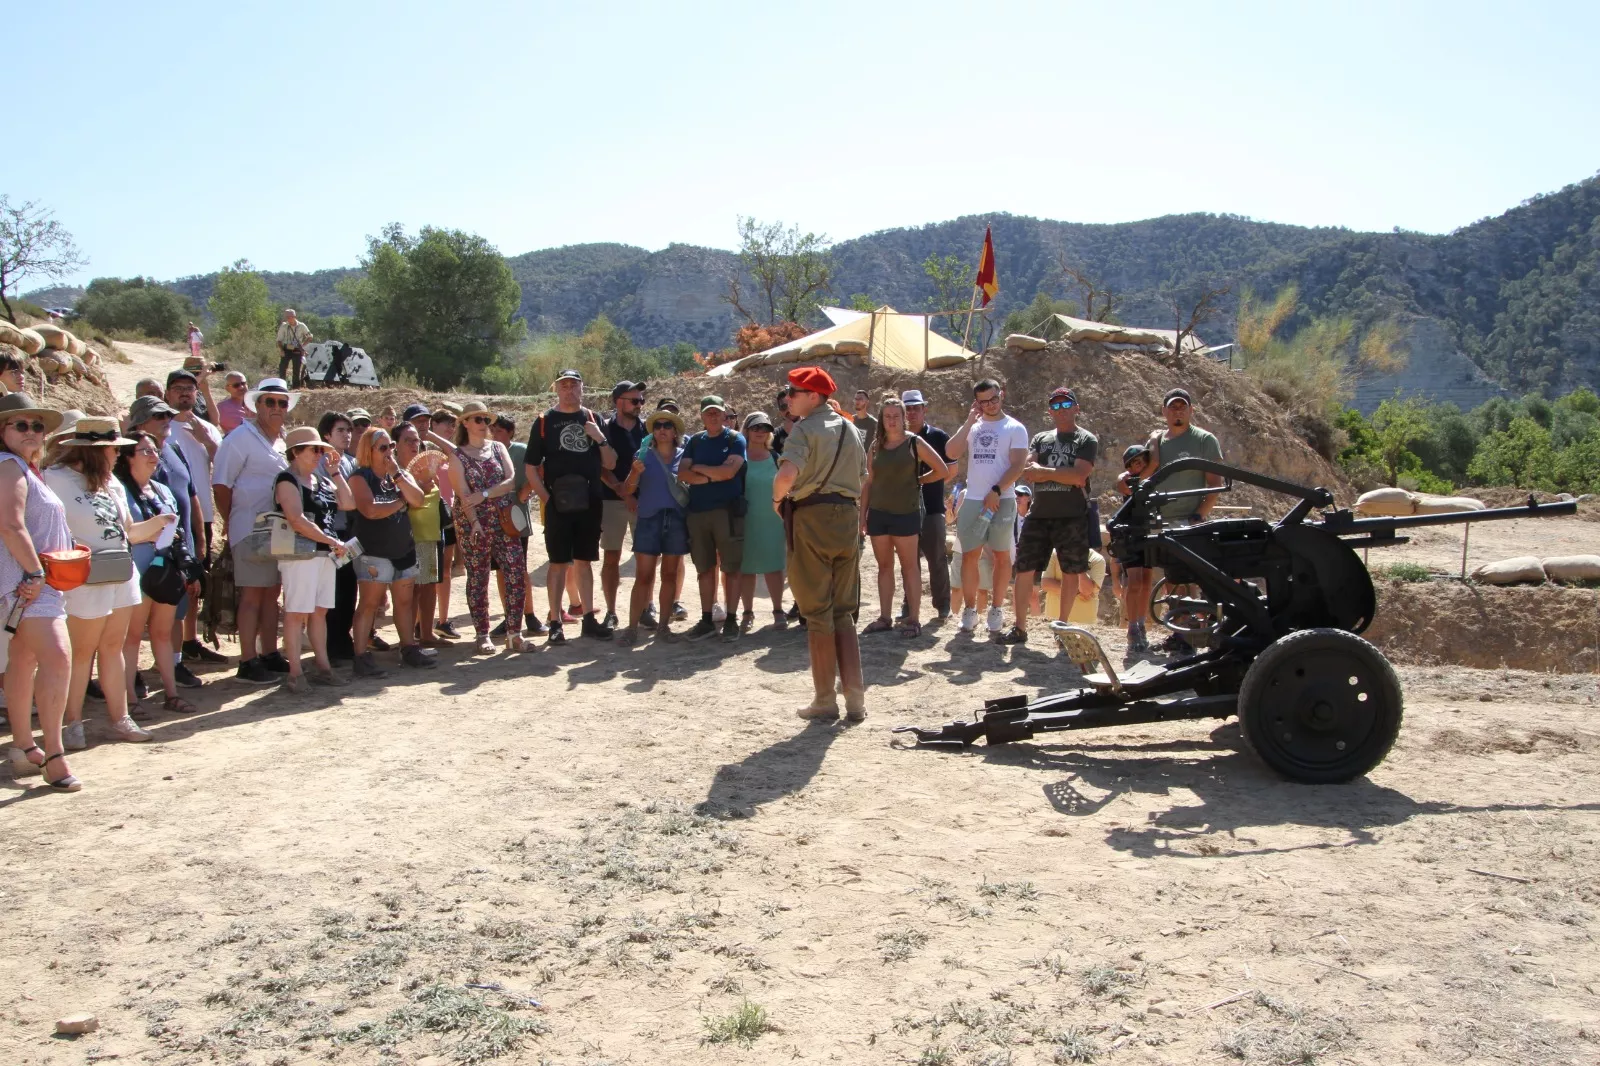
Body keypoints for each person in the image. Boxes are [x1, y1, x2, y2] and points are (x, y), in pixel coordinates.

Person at [45, 417, 166, 746]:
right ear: (94, 450)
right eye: (113, 448)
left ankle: (120, 719)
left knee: (114, 648)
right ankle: (72, 723)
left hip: (119, 572)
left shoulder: (112, 482)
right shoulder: (55, 479)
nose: (117, 454)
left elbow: (129, 532)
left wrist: (160, 522)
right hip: (83, 576)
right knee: (81, 652)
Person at [772, 366, 868, 721]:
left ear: (814, 396)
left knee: (816, 612)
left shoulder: (805, 429)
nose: (788, 398)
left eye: (794, 392)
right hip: (847, 519)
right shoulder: (853, 430)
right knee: (843, 610)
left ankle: (825, 700)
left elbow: (786, 476)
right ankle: (855, 698)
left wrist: (776, 500)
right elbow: (862, 477)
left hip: (811, 519)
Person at [0, 394, 80, 789]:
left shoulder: (24, 469)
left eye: (37, 425)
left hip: (25, 583)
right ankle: (53, 753)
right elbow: (11, 525)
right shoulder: (9, 466)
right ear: (3, 431)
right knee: (58, 656)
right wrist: (34, 573)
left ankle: (23, 747)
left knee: (23, 658)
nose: (32, 432)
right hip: (28, 584)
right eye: (21, 425)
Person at [524, 369, 616, 645]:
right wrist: (547, 500)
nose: (569, 390)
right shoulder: (544, 422)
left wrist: (599, 437)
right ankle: (555, 622)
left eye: (574, 385)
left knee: (584, 561)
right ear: (556, 389)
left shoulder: (593, 419)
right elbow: (530, 468)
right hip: (558, 504)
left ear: (582, 388)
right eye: (564, 386)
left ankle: (588, 618)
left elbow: (610, 463)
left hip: (589, 501)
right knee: (557, 563)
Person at [212, 376, 293, 684]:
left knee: (272, 593)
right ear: (256, 404)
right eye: (269, 401)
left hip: (278, 531)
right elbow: (221, 485)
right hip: (249, 528)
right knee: (252, 595)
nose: (276, 407)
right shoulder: (239, 438)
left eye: (281, 402)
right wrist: (232, 521)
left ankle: (270, 653)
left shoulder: (283, 440)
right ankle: (248, 659)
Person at [1006, 387, 1098, 644]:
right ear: (1049, 411)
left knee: (1071, 571)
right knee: (1024, 568)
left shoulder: (1086, 439)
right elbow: (1027, 468)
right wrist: (1059, 473)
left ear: (1076, 408)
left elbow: (1079, 475)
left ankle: (1064, 628)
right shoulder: (1041, 438)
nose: (1061, 410)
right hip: (1040, 514)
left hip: (1071, 514)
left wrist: (1045, 472)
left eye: (1066, 404)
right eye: (1055, 406)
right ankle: (1019, 627)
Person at [117, 431, 198, 714]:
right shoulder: (119, 490)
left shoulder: (162, 490)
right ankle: (130, 699)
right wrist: (156, 527)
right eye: (145, 451)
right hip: (136, 572)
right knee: (132, 637)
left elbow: (175, 531)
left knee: (163, 634)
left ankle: (171, 694)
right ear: (127, 457)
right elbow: (126, 533)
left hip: (165, 572)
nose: (154, 456)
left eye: (154, 451)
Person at [946, 378, 1029, 637]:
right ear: (977, 403)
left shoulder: (1015, 427)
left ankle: (996, 608)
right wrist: (970, 421)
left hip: (1002, 498)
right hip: (973, 499)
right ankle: (970, 610)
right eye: (984, 402)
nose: (990, 405)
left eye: (994, 399)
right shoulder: (974, 426)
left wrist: (996, 490)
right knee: (970, 554)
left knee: (1001, 555)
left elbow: (1018, 465)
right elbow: (951, 451)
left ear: (1001, 395)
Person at [860, 396, 948, 638]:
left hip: (906, 513)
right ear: (882, 419)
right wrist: (862, 517)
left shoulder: (914, 443)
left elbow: (941, 469)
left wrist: (919, 480)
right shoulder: (876, 446)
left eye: (895, 416)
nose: (891, 421)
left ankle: (914, 619)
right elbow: (868, 483)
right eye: (887, 416)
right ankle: (885, 617)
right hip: (878, 514)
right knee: (884, 567)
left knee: (910, 568)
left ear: (903, 418)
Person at [273, 427, 354, 691]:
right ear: (295, 452)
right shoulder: (287, 480)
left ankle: (323, 667)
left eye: (321, 449)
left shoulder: (321, 481)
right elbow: (296, 519)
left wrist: (335, 473)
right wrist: (332, 542)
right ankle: (295, 673)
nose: (319, 454)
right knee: (296, 613)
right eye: (314, 449)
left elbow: (348, 503)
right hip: (300, 555)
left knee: (319, 612)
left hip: (324, 555)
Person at [349, 425, 432, 676]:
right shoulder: (360, 477)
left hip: (403, 550)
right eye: (383, 448)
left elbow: (418, 499)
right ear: (369, 450)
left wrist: (397, 475)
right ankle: (361, 657)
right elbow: (370, 510)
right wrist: (399, 502)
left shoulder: (397, 475)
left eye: (392, 447)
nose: (389, 452)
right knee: (369, 604)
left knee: (405, 602)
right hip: (374, 552)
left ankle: (408, 648)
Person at [447, 401, 527, 654]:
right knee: (478, 577)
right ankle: (482, 634)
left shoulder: (498, 448)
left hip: (504, 521)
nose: (483, 424)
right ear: (466, 424)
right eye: (478, 419)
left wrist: (484, 493)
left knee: (516, 572)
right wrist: (474, 523)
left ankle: (515, 633)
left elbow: (511, 481)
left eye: (486, 420)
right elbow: (462, 496)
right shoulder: (457, 456)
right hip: (474, 525)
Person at [165, 368, 228, 669]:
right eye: (178, 388)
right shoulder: (160, 427)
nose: (185, 393)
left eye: (190, 388)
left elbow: (224, 464)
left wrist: (207, 439)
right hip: (165, 515)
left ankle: (189, 642)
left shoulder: (205, 427)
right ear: (167, 393)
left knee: (195, 582)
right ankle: (168, 651)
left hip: (200, 514)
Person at [618, 408, 689, 645]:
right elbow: (627, 490)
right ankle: (631, 628)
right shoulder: (643, 455)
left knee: (669, 575)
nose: (661, 430)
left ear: (675, 431)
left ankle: (663, 627)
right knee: (643, 576)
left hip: (676, 519)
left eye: (667, 426)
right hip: (649, 518)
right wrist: (635, 473)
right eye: (657, 426)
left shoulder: (685, 456)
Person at [679, 396, 747, 642]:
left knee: (731, 568)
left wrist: (701, 470)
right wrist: (713, 474)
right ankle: (707, 619)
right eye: (709, 413)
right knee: (704, 568)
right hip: (698, 513)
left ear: (725, 414)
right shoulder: (695, 441)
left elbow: (730, 472)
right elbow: (683, 474)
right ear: (701, 416)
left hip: (727, 512)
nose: (714, 417)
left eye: (718, 412)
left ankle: (731, 619)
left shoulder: (735, 439)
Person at [488, 415, 543, 639]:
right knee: (501, 570)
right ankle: (509, 616)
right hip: (493, 516)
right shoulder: (485, 452)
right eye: (493, 431)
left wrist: (526, 489)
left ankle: (529, 615)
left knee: (520, 567)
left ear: (510, 432)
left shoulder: (521, 450)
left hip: (516, 516)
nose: (495, 435)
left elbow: (539, 469)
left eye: (499, 431)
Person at [902, 389, 954, 621]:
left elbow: (951, 470)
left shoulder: (939, 437)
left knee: (937, 559)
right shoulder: (896, 438)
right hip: (903, 510)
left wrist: (923, 480)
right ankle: (908, 607)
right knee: (908, 563)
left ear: (925, 409)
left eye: (916, 408)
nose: (912, 412)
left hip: (933, 508)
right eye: (908, 408)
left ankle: (943, 606)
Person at [598, 381, 646, 628]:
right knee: (611, 557)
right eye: (634, 400)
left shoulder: (648, 429)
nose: (640, 404)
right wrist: (622, 491)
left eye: (641, 400)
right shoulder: (603, 430)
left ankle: (646, 606)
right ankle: (611, 611)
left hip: (644, 502)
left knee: (645, 557)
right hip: (611, 501)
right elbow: (599, 466)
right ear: (618, 401)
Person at [737, 412, 788, 631]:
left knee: (774, 567)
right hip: (745, 520)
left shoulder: (777, 457)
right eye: (755, 427)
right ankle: (747, 613)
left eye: (765, 428)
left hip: (772, 521)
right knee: (745, 568)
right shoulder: (739, 457)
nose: (760, 432)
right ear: (746, 430)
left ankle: (778, 610)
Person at [318, 411, 358, 662]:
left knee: (348, 589)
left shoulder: (351, 462)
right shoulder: (322, 462)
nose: (346, 435)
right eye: (340, 430)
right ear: (327, 435)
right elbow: (341, 501)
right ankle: (332, 644)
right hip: (331, 534)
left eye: (348, 430)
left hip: (351, 534)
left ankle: (343, 639)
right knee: (332, 592)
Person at [1117, 443, 1157, 652]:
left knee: (1147, 581)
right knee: (1134, 582)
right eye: (1134, 462)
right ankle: (1132, 627)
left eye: (1142, 460)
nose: (1139, 464)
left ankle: (1141, 624)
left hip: (1147, 532)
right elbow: (1123, 485)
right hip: (1131, 534)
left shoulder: (1153, 479)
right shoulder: (1129, 480)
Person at [275, 309, 314, 387]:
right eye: (287, 317)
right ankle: (282, 386)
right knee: (282, 367)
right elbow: (279, 340)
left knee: (296, 369)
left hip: (297, 349)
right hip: (286, 348)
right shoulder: (284, 326)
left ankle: (296, 387)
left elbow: (310, 336)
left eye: (291, 317)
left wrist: (302, 345)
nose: (289, 319)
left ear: (294, 316)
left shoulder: (301, 326)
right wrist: (281, 350)